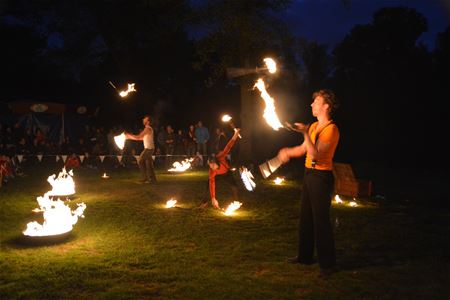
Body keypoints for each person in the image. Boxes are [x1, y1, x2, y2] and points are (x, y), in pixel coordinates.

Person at [276, 89, 340, 278]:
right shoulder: (312, 127)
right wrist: (288, 152)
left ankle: (328, 264)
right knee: (306, 217)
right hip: (309, 175)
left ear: (326, 106)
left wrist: (304, 133)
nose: (312, 104)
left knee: (321, 221)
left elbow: (316, 154)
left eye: (316, 102)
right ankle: (304, 257)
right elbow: (304, 150)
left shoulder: (331, 129)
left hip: (321, 177)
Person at [199, 128, 241, 209]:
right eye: (210, 166)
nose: (211, 167)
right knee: (208, 186)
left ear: (215, 162)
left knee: (234, 187)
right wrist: (213, 198)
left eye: (212, 165)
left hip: (226, 173)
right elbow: (212, 184)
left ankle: (236, 202)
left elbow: (229, 146)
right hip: (217, 175)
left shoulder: (220, 156)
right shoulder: (212, 171)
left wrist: (235, 134)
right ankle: (204, 202)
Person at [125, 115, 157, 184]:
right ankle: (152, 180)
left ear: (148, 121)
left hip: (148, 149)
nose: (143, 119)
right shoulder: (147, 129)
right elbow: (140, 138)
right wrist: (129, 137)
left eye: (145, 119)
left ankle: (144, 178)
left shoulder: (148, 129)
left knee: (140, 160)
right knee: (149, 164)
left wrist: (128, 135)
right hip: (150, 148)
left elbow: (138, 136)